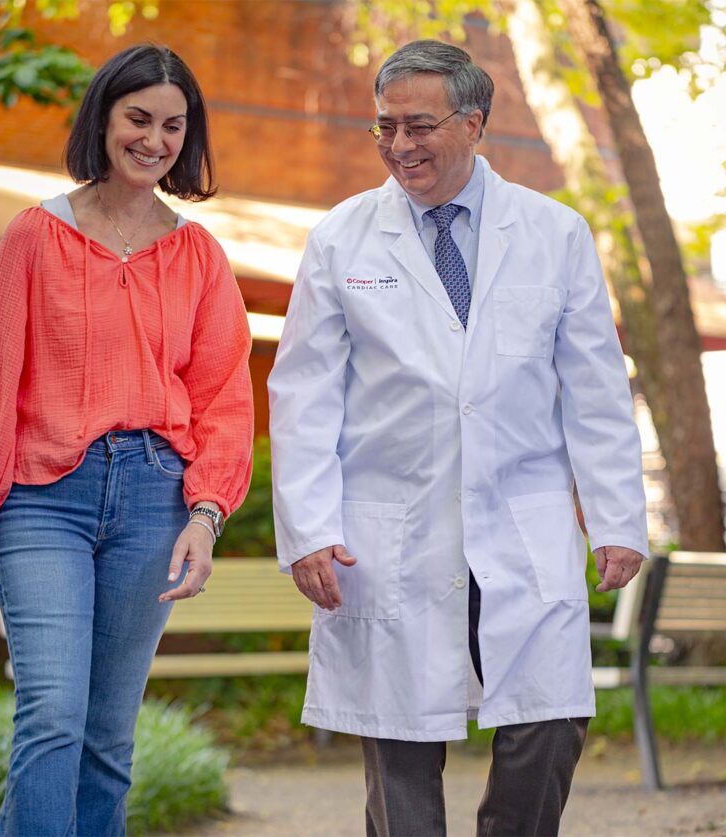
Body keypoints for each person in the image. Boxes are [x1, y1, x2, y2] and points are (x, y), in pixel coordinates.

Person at [268, 39, 647, 836]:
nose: (399, 146)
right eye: (385, 128)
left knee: (548, 719)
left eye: (419, 125)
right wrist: (309, 527)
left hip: (522, 520)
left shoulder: (555, 232)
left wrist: (616, 518)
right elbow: (303, 394)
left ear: (474, 122)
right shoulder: (341, 239)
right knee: (398, 743)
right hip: (390, 526)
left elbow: (595, 389)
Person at [0, 44, 253, 836]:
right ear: (104, 118)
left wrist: (205, 513)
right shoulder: (34, 235)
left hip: (154, 499)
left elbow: (224, 396)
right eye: (138, 118)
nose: (153, 140)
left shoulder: (199, 255)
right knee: (53, 710)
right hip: (43, 497)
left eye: (171, 125)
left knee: (107, 733)